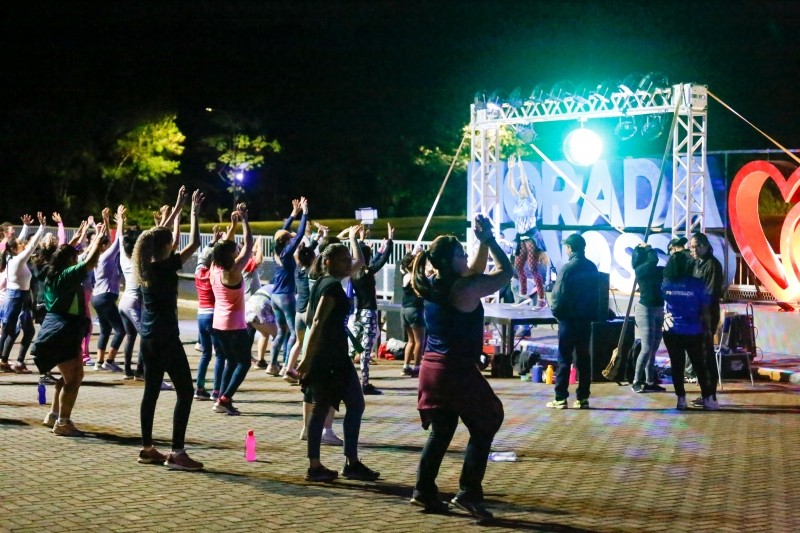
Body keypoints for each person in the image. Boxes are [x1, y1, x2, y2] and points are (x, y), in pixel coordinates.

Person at [409, 215, 511, 518]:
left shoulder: (433, 284)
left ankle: (423, 491)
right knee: (489, 418)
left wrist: (480, 242)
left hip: (432, 369)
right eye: (461, 254)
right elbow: (505, 273)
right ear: (450, 260)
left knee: (442, 431)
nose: (466, 257)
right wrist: (491, 241)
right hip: (456, 371)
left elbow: (474, 271)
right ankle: (468, 492)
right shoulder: (463, 290)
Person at [133, 187, 205, 469]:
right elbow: (196, 242)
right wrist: (193, 213)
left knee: (150, 391)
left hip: (149, 337)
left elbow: (156, 236)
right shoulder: (165, 267)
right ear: (165, 248)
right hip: (166, 338)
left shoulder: (146, 264)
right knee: (185, 392)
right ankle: (177, 453)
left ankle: (147, 448)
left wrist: (177, 206)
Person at [299, 242, 377, 482]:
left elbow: (358, 263)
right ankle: (316, 466)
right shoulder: (331, 286)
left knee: (354, 404)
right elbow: (316, 323)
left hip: (337, 357)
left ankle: (350, 462)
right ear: (330, 262)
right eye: (344, 260)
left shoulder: (324, 282)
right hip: (327, 359)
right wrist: (306, 359)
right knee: (322, 409)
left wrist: (354, 239)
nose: (348, 263)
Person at [32, 219, 108, 436]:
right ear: (69, 261)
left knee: (68, 377)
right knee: (74, 379)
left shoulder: (51, 272)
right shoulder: (65, 276)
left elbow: (74, 255)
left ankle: (54, 415)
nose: (77, 259)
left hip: (56, 329)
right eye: (74, 258)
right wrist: (97, 240)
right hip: (62, 331)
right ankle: (63, 422)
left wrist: (82, 239)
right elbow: (90, 262)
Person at [210, 202, 254, 415]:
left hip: (218, 324)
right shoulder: (233, 271)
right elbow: (248, 245)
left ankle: (221, 398)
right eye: (233, 249)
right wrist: (245, 221)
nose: (237, 249)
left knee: (230, 361)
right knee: (244, 363)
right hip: (234, 326)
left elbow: (223, 249)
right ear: (230, 255)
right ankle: (226, 398)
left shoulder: (214, 268)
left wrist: (232, 226)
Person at [547, 233, 599, 409]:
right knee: (584, 359)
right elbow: (596, 295)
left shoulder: (567, 268)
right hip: (585, 321)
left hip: (568, 321)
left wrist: (558, 314)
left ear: (570, 248)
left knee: (564, 359)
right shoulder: (592, 267)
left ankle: (560, 398)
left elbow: (558, 296)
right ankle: (583, 398)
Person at [661, 251, 716, 410]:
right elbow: (704, 308)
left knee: (677, 366)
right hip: (693, 330)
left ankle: (681, 400)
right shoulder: (696, 283)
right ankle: (707, 399)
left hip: (671, 331)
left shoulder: (666, 283)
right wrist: (708, 327)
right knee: (700, 365)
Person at [348, 224, 394, 394]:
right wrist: (389, 241)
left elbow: (372, 259)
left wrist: (360, 239)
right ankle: (364, 383)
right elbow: (381, 260)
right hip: (369, 313)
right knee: (366, 351)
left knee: (354, 349)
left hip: (357, 313)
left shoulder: (354, 272)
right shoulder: (367, 272)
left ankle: (345, 380)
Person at [0, 212, 46, 374]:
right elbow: (31, 246)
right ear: (13, 249)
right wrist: (41, 227)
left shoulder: (11, 257)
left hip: (21, 298)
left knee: (22, 331)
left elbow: (17, 242)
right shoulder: (17, 260)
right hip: (15, 298)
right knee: (9, 331)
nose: (23, 245)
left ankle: (13, 361)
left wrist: (26, 226)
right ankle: (3, 360)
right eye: (20, 245)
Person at [267, 198, 308, 376]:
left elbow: (282, 233)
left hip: (274, 296)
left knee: (281, 331)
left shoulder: (276, 249)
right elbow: (299, 235)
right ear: (286, 242)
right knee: (293, 332)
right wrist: (305, 213)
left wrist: (293, 214)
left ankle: (272, 364)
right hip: (285, 296)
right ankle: (286, 366)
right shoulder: (286, 253)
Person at [688, 232, 724, 408]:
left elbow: (710, 294)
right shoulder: (696, 263)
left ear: (705, 246)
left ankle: (711, 395)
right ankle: (705, 393)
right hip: (695, 315)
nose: (693, 250)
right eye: (691, 246)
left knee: (706, 354)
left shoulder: (712, 265)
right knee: (698, 356)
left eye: (696, 246)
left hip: (707, 315)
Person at [508, 155, 546, 309]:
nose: (520, 189)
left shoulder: (531, 201)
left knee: (532, 268)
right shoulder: (518, 201)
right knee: (518, 267)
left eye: (522, 188)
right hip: (521, 238)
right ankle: (523, 295)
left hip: (531, 237)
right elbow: (511, 186)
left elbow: (524, 181)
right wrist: (510, 170)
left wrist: (520, 166)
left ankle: (542, 299)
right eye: (520, 189)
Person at [91, 206, 126, 372]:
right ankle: (110, 361)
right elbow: (118, 241)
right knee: (121, 330)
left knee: (105, 330)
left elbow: (110, 241)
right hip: (105, 297)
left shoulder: (96, 254)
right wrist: (119, 221)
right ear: (105, 246)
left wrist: (105, 221)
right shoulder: (106, 256)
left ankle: (99, 362)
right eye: (108, 244)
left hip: (97, 297)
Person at [631, 244, 666, 393]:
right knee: (646, 348)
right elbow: (654, 258)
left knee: (653, 348)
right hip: (645, 310)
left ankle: (650, 381)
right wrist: (650, 247)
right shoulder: (641, 269)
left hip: (657, 309)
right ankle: (636, 381)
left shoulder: (652, 269)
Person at [400, 251, 424, 377]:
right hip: (415, 309)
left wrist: (411, 253)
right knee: (420, 340)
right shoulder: (415, 278)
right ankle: (417, 367)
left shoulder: (404, 276)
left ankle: (406, 366)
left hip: (404, 309)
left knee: (410, 340)